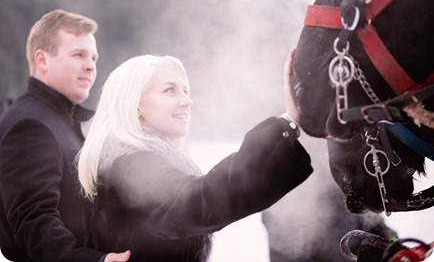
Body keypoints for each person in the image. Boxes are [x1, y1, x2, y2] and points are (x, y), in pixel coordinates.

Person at [77, 49, 313, 262]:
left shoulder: (135, 159)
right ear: (135, 106)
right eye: (170, 90)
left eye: (186, 91)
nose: (187, 101)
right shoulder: (131, 165)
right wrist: (288, 123)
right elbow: (201, 203)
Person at [0, 9, 130, 262]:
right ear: (42, 60)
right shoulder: (30, 124)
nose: (90, 65)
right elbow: (34, 223)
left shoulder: (59, 118)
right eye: (78, 54)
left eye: (93, 57)